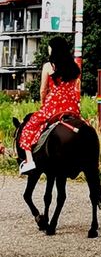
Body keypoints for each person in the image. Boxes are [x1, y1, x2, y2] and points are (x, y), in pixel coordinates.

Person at [19, 37, 81, 174]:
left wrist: (43, 104)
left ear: (54, 49)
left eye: (49, 47)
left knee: (29, 127)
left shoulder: (49, 66)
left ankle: (29, 161)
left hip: (54, 105)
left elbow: (43, 90)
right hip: (72, 106)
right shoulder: (74, 66)